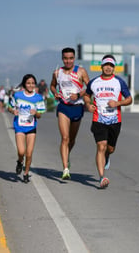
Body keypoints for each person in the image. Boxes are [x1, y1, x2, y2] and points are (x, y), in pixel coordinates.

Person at [84, 54, 132, 189]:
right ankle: (101, 177)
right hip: (98, 119)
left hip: (115, 120)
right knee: (101, 146)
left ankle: (107, 156)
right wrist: (88, 105)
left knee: (110, 148)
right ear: (102, 66)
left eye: (111, 66)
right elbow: (87, 95)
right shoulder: (94, 82)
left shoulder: (119, 82)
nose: (108, 68)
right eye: (106, 65)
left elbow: (129, 99)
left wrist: (118, 102)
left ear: (114, 68)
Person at [50, 47, 90, 180]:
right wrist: (55, 93)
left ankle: (67, 156)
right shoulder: (57, 72)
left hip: (77, 108)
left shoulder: (80, 71)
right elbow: (52, 85)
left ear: (74, 58)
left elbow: (89, 88)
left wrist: (78, 94)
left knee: (72, 140)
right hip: (63, 107)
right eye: (66, 58)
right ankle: (65, 168)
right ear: (62, 58)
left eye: (71, 58)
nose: (68, 61)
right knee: (65, 138)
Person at [7, 74, 46, 183]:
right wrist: (13, 111)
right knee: (21, 151)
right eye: (28, 83)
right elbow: (9, 107)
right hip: (19, 126)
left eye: (33, 83)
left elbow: (39, 115)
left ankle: (26, 173)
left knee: (29, 153)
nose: (30, 85)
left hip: (31, 127)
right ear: (24, 84)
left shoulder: (38, 97)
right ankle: (20, 162)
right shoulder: (17, 95)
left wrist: (36, 113)